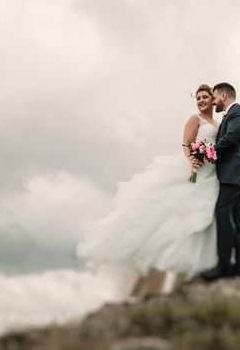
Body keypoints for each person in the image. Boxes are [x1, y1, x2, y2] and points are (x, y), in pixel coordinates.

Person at [75, 84, 220, 282]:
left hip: (210, 173)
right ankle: (158, 264)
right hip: (193, 168)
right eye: (198, 98)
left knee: (200, 219)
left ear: (213, 99)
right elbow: (186, 144)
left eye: (205, 97)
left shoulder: (218, 124)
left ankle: (191, 270)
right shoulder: (195, 120)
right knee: (175, 213)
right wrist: (193, 159)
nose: (201, 100)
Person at [200, 82, 240, 281]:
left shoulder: (239, 111)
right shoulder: (232, 115)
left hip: (236, 172)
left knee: (223, 213)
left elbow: (232, 136)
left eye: (214, 97)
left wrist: (211, 153)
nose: (213, 101)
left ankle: (224, 267)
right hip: (239, 174)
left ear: (223, 96)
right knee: (236, 219)